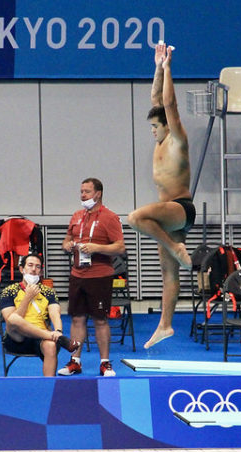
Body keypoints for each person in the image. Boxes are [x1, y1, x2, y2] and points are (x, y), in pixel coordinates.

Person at [127, 41, 194, 350]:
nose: (152, 131)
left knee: (136, 217)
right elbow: (157, 99)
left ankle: (176, 248)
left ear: (168, 126)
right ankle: (165, 325)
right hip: (169, 215)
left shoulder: (177, 140)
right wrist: (156, 67)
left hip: (181, 208)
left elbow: (169, 105)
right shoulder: (159, 140)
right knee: (168, 273)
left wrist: (169, 69)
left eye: (156, 126)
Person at [59, 178, 125, 377]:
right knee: (77, 319)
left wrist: (98, 248)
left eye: (87, 191)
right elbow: (67, 239)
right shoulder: (77, 216)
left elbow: (120, 247)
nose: (82, 195)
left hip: (99, 276)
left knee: (99, 319)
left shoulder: (110, 217)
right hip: (77, 274)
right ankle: (75, 361)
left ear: (98, 193)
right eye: (81, 191)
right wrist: (67, 245)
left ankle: (105, 363)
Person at [0, 253, 81, 377]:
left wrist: (58, 330)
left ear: (41, 272)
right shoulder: (9, 291)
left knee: (50, 345)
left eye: (37, 267)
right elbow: (9, 320)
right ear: (22, 269)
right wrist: (27, 298)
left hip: (41, 337)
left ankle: (49, 386)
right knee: (13, 319)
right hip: (17, 337)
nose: (33, 269)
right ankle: (58, 338)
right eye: (30, 265)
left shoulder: (48, 292)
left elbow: (55, 313)